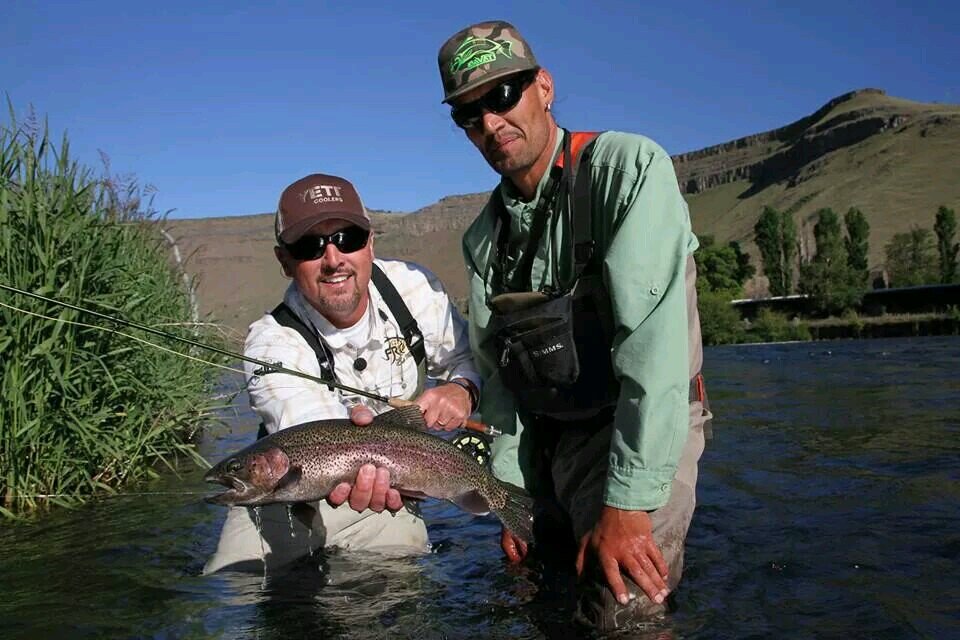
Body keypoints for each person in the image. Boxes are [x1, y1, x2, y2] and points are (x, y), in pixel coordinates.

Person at [433, 20, 712, 630]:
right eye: (469, 113)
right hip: (555, 440)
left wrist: (629, 504)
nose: (490, 122)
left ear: (544, 87)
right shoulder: (483, 238)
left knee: (623, 614)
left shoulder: (628, 169)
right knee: (541, 597)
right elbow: (500, 384)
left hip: (642, 422)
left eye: (503, 95)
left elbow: (657, 355)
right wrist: (511, 499)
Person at [203, 173, 480, 574]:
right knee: (236, 587)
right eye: (309, 246)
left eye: (347, 238)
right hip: (278, 499)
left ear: (370, 243)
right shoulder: (270, 342)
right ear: (284, 261)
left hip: (388, 495)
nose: (334, 260)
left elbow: (468, 358)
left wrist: (463, 388)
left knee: (393, 589)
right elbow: (308, 441)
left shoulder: (416, 290)